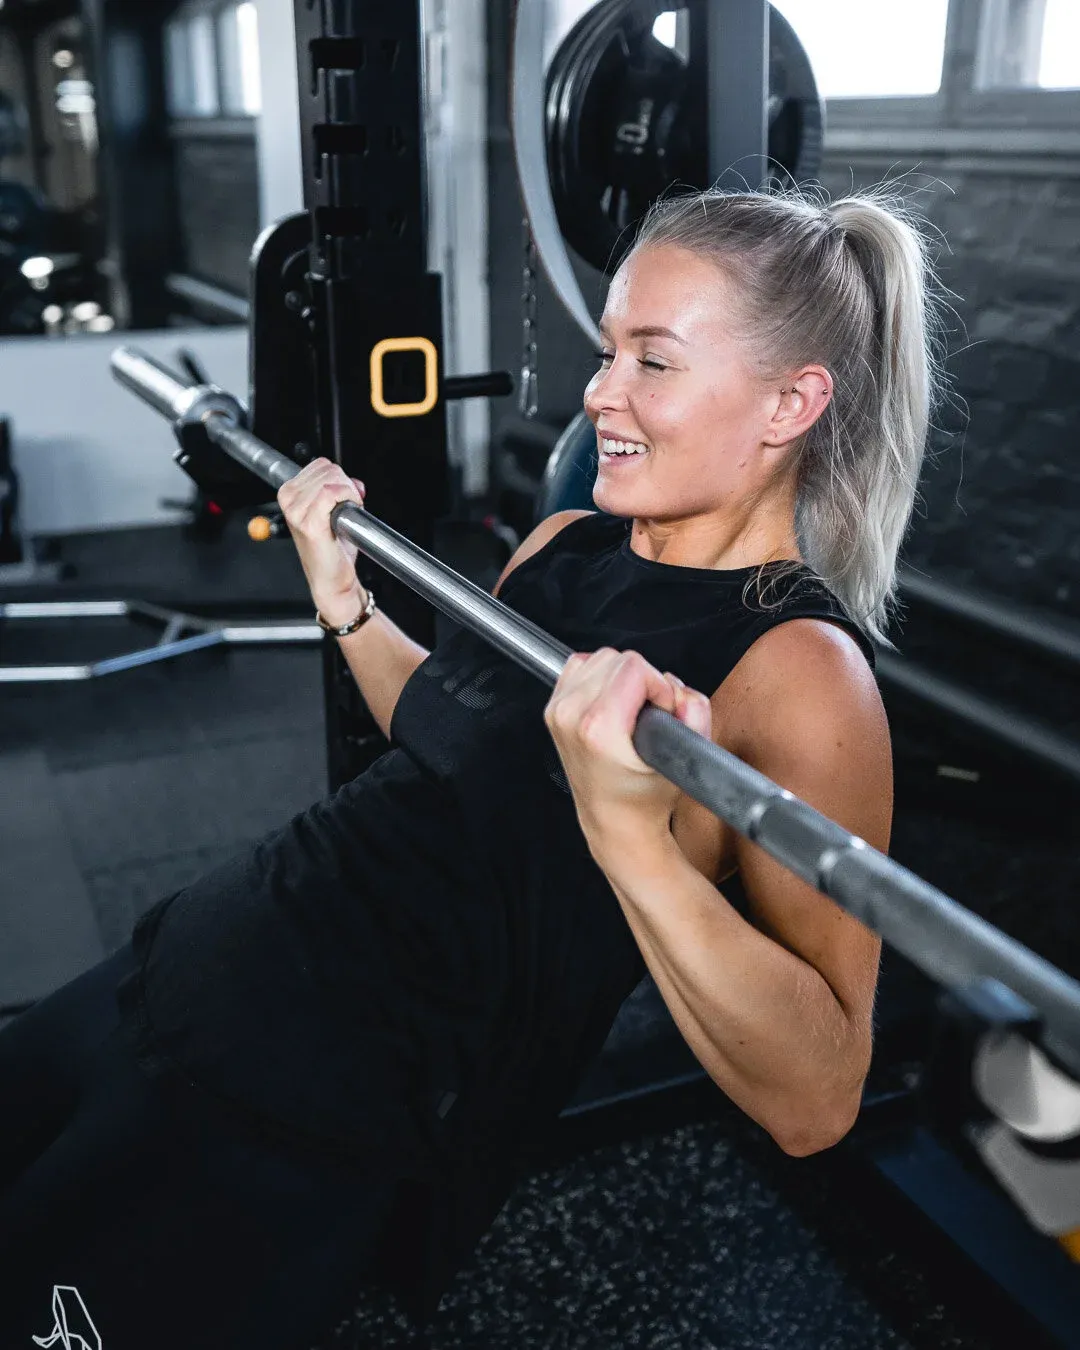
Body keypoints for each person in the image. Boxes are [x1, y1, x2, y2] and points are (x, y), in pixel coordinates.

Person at [0, 185, 943, 1349]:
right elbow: (449, 739)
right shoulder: (569, 541)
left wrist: (630, 836)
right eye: (607, 353)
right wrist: (344, 602)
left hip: (305, 1099)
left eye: (653, 361)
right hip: (194, 955)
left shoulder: (801, 671)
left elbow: (817, 1100)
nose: (601, 394)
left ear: (791, 403)